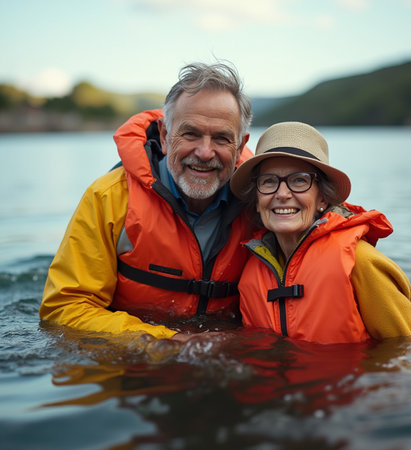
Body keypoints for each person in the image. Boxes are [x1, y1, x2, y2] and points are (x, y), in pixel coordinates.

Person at [40, 62, 254, 342]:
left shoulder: (262, 205)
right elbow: (63, 309)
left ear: (240, 145)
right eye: (190, 133)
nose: (204, 152)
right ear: (165, 136)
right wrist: (163, 342)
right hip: (133, 366)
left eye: (222, 138)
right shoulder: (109, 197)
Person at [230, 121, 411, 344]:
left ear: (322, 198)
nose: (282, 193)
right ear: (257, 200)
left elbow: (409, 352)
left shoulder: (360, 262)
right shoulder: (250, 271)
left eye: (299, 180)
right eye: (268, 181)